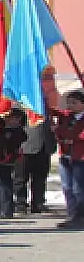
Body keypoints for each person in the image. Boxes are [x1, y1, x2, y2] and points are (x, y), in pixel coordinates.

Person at [0, 109, 27, 220]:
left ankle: (6, 209)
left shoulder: (18, 132)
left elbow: (10, 142)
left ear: (18, 119)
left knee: (4, 184)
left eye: (10, 117)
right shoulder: (3, 128)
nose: (6, 119)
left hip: (6, 160)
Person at [53, 90, 84, 229]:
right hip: (65, 156)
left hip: (80, 157)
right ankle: (72, 215)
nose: (70, 105)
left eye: (74, 102)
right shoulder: (66, 117)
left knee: (79, 189)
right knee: (67, 187)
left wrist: (69, 136)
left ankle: (80, 216)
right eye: (69, 102)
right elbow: (52, 115)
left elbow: (78, 135)